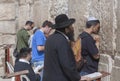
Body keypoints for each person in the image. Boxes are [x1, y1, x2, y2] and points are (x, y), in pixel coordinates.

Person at [42, 14, 88, 81]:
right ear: (66, 29)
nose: (73, 28)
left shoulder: (50, 38)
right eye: (71, 26)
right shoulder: (62, 41)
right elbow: (67, 65)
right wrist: (77, 77)